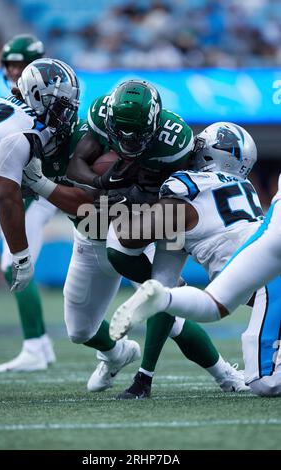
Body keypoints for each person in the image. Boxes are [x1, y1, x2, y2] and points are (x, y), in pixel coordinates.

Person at [24, 83, 247, 394]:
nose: (128, 142)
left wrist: (131, 199)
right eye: (121, 134)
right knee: (79, 330)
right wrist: (104, 181)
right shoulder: (95, 120)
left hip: (146, 224)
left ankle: (223, 374)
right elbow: (80, 175)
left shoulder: (174, 142)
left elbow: (174, 202)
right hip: (90, 236)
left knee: (167, 299)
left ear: (155, 125)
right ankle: (117, 354)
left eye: (137, 134)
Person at [109, 122, 266, 397]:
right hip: (261, 274)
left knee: (264, 381)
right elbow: (163, 281)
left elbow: (128, 238)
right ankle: (144, 379)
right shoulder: (244, 186)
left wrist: (115, 205)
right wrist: (144, 378)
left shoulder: (186, 188)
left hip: (252, 280)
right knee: (168, 291)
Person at [0, 34, 58, 373]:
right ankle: (40, 345)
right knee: (12, 264)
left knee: (14, 263)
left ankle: (35, 346)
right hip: (25, 190)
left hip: (41, 191)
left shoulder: (49, 103)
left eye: (23, 65)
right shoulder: (12, 103)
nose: (17, 72)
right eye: (12, 65)